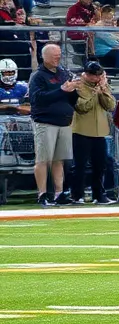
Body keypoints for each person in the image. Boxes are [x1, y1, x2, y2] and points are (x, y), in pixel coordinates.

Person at [28, 44, 80, 207]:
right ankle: (42, 194)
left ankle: (59, 193)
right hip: (45, 122)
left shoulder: (63, 73)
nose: (58, 57)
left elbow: (70, 98)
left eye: (59, 54)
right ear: (45, 57)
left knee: (59, 160)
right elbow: (37, 98)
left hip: (64, 121)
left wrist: (74, 91)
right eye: (54, 55)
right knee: (43, 159)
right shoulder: (38, 76)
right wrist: (62, 90)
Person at [69, 62, 117, 204]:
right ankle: (77, 195)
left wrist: (103, 90)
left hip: (100, 131)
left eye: (99, 76)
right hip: (82, 130)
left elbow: (110, 105)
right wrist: (94, 95)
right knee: (80, 166)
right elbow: (81, 107)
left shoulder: (101, 85)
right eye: (95, 76)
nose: (97, 79)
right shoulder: (77, 85)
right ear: (87, 74)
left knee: (100, 165)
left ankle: (99, 195)